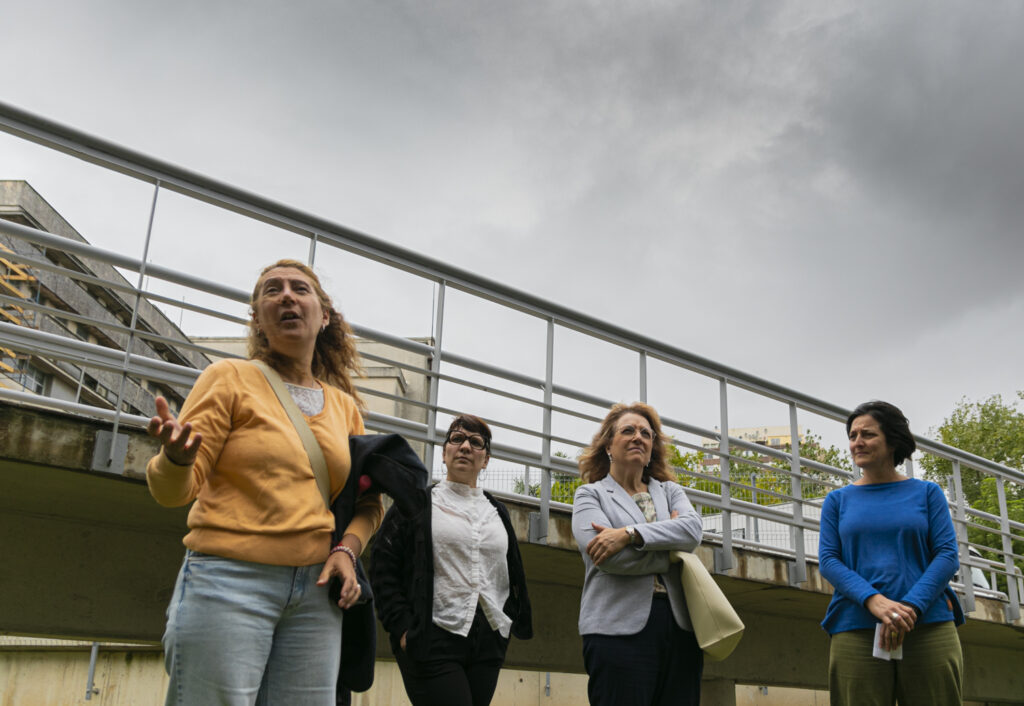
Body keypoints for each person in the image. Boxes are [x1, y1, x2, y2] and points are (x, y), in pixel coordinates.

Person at [146, 259, 383, 706]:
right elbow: (172, 492)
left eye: (300, 288)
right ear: (257, 318)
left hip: (316, 595)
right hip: (227, 581)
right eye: (272, 290)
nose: (287, 295)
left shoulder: (344, 408)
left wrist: (347, 551)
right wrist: (175, 460)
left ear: (324, 316)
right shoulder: (229, 378)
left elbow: (369, 502)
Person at [370, 414, 532, 706]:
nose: (465, 447)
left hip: (488, 642)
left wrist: (502, 631)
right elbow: (383, 565)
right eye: (457, 439)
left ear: (486, 460)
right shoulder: (417, 503)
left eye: (476, 442)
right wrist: (403, 628)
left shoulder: (498, 512)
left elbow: (508, 574)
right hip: (431, 636)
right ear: (444, 453)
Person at [819, 400, 964, 705]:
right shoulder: (837, 501)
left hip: (927, 623)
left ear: (892, 441)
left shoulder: (928, 493)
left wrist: (909, 607)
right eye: (853, 435)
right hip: (855, 625)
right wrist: (874, 601)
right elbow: (829, 561)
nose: (857, 442)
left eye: (868, 434)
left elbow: (947, 555)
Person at [571, 402, 704, 706]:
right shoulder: (590, 495)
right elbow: (607, 558)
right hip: (616, 631)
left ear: (652, 446)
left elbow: (693, 531)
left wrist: (628, 534)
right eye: (628, 430)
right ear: (608, 445)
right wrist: (670, 550)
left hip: (680, 628)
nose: (638, 437)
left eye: (646, 433)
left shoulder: (670, 491)